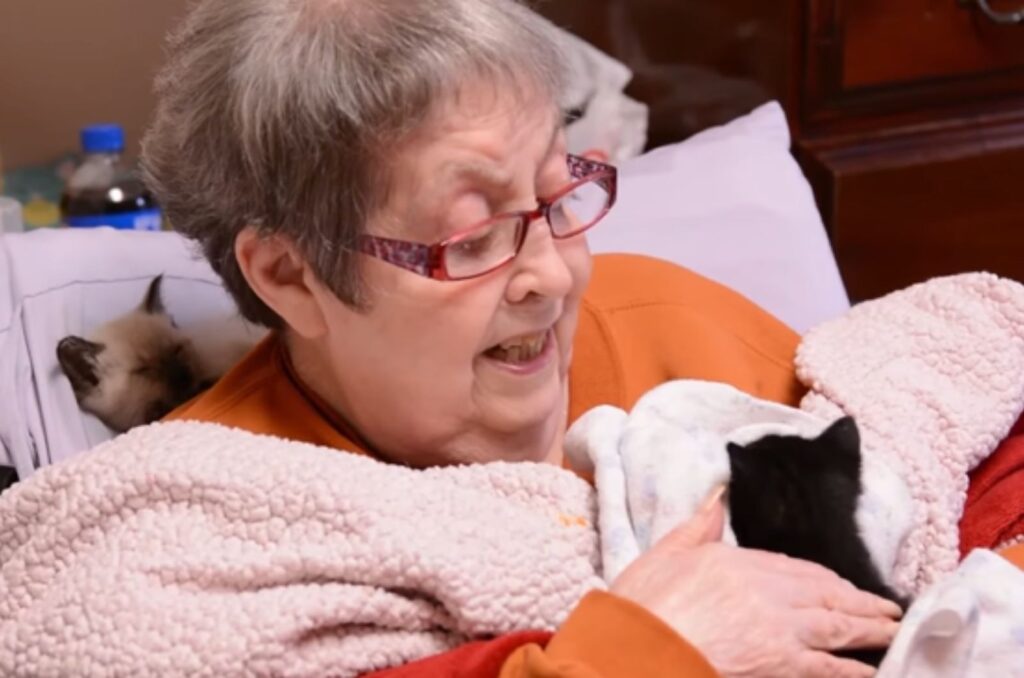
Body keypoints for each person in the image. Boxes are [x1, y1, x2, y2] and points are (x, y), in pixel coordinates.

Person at [142, 1, 962, 676]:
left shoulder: (675, 329)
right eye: (472, 239)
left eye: (558, 195)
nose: (555, 276)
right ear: (290, 277)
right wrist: (654, 655)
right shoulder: (206, 531)